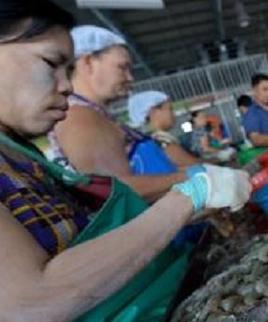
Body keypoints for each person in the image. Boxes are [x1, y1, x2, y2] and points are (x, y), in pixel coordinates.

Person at [0, 0, 251, 322]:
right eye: (50, 63)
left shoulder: (11, 152)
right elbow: (26, 306)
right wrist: (184, 199)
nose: (66, 85)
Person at [49, 25, 206, 202]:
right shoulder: (78, 116)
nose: (130, 78)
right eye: (122, 68)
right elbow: (112, 193)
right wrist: (194, 176)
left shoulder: (97, 115)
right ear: (88, 62)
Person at [128, 90, 207, 168]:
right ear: (154, 112)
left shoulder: (156, 138)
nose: (174, 114)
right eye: (170, 109)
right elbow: (189, 164)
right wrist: (215, 160)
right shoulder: (161, 139)